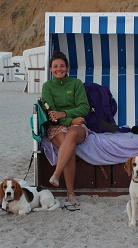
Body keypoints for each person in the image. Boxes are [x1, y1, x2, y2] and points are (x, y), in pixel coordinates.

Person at [41, 51, 90, 205]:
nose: (59, 69)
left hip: (77, 125)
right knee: (67, 148)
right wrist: (70, 120)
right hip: (57, 126)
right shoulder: (47, 86)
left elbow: (84, 108)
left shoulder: (76, 84)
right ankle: (70, 194)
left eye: (62, 66)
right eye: (55, 66)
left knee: (72, 136)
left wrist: (64, 114)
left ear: (67, 68)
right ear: (50, 69)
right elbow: (51, 114)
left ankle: (56, 174)